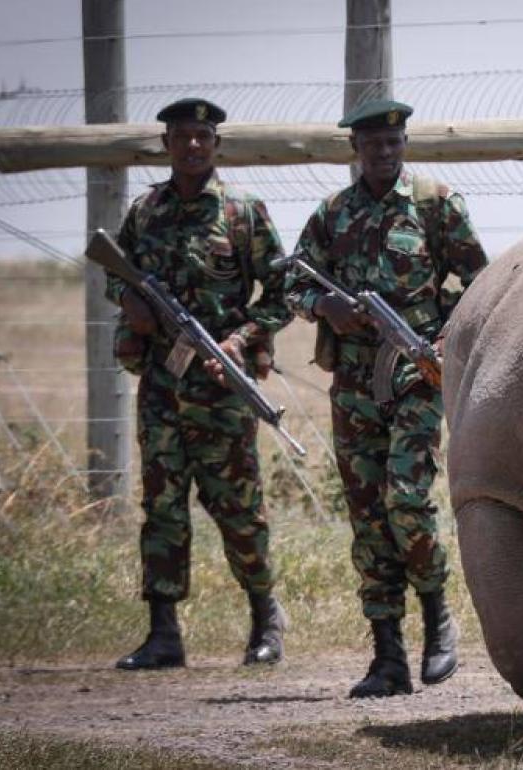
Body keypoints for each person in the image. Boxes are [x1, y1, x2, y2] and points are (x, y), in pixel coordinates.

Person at [285, 98, 487, 698]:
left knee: (406, 501)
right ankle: (387, 656)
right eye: (373, 144)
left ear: (404, 145)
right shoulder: (333, 214)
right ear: (356, 150)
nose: (384, 153)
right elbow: (292, 280)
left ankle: (436, 619)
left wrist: (442, 339)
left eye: (393, 143)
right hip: (353, 387)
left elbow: (478, 280)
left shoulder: (434, 204)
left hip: (416, 378)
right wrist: (326, 307)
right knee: (369, 517)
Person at [109, 97, 293, 670]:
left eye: (203, 137)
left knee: (238, 506)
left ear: (217, 145)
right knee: (162, 507)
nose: (193, 146)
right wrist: (130, 302)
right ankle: (163, 634)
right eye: (182, 136)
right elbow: (116, 274)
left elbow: (283, 295)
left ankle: (266, 622)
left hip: (220, 386)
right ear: (166, 144)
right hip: (163, 384)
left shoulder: (243, 212)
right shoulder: (145, 212)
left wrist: (240, 340)